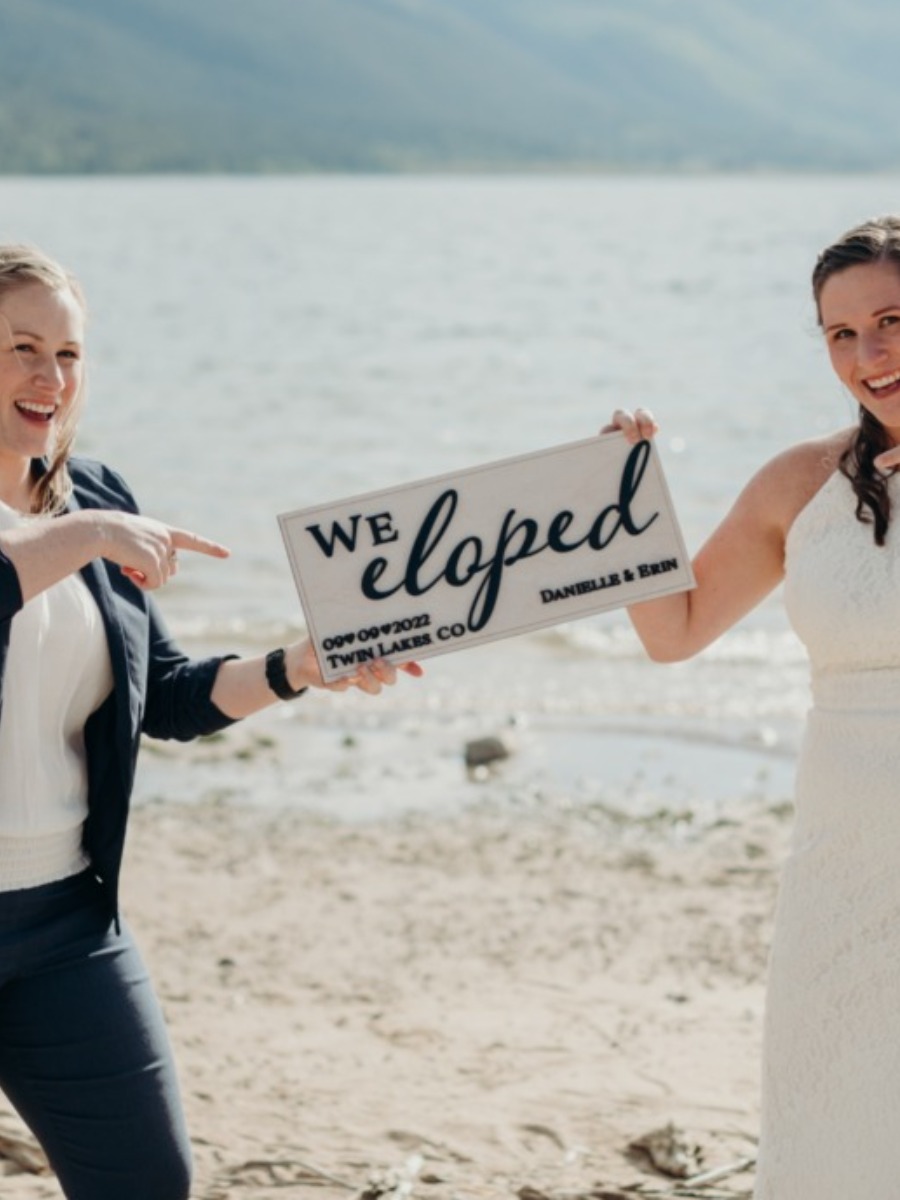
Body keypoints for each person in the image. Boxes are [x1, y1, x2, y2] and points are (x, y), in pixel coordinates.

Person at [0, 243, 422, 1200]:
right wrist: (90, 539)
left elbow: (170, 695)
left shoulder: (96, 495)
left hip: (68, 921)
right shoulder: (94, 526)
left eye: (69, 354)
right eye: (24, 347)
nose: (50, 378)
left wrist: (296, 666)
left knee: (149, 1182)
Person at [607, 214, 900, 1197]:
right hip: (843, 861)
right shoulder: (798, 483)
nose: (870, 354)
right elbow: (673, 631)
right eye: (841, 334)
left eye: (893, 320)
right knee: (837, 1112)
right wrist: (627, 500)